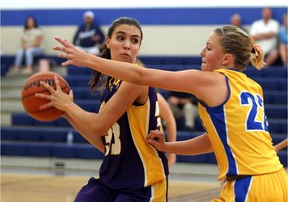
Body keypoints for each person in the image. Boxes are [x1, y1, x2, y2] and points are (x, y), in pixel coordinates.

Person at [52, 25, 287, 201]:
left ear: (226, 59)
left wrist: (88, 59)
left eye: (208, 47)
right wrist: (169, 147)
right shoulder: (253, 87)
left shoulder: (210, 80)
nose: (201, 52)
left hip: (250, 186)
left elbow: (142, 75)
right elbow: (211, 140)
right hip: (276, 178)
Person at [37, 17, 169, 201]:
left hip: (143, 183)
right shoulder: (112, 83)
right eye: (121, 38)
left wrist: (68, 105)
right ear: (108, 41)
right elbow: (105, 144)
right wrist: (66, 112)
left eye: (134, 41)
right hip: (112, 179)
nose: (127, 45)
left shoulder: (135, 81)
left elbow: (98, 124)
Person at [157, 92, 177, 167]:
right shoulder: (124, 97)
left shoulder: (157, 98)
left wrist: (171, 152)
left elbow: (170, 121)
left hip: (153, 149)